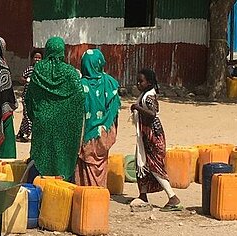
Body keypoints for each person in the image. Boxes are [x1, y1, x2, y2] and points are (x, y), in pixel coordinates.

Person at [26, 37, 85, 182]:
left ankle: (37, 189)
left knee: (41, 154)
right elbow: (80, 98)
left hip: (43, 122)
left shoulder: (38, 70)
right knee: (62, 155)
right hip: (65, 125)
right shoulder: (71, 73)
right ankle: (63, 190)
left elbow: (29, 97)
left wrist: (35, 115)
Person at [128, 69, 182, 210]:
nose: (138, 84)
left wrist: (137, 108)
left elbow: (152, 114)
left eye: (141, 81)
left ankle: (172, 197)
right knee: (141, 163)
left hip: (152, 135)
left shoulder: (149, 97)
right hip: (146, 135)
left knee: (154, 165)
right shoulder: (145, 94)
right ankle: (143, 195)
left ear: (149, 82)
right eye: (137, 81)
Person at [74, 49, 120, 187]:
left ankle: (86, 197)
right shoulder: (110, 83)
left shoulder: (79, 85)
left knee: (83, 167)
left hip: (85, 136)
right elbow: (114, 111)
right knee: (101, 163)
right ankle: (99, 192)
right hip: (103, 134)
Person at [15, 48, 44, 142]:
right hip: (27, 96)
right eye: (35, 57)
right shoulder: (29, 69)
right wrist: (27, 80)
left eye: (39, 58)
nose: (37, 59)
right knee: (27, 115)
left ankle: (22, 133)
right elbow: (21, 78)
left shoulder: (43, 71)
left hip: (38, 97)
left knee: (35, 116)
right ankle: (24, 134)